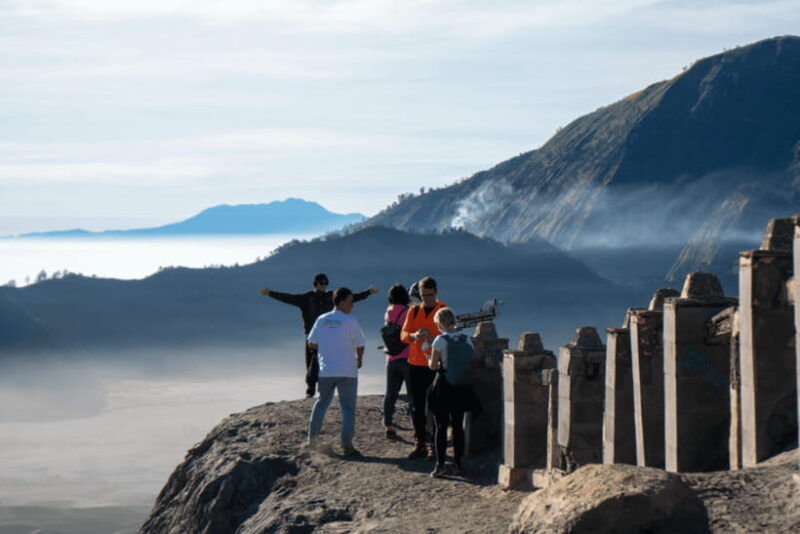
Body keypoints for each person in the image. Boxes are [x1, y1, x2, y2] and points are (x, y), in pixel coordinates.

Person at [260, 273, 378, 397]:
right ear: (315, 284)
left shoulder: (331, 297)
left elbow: (351, 298)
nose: (324, 285)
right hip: (312, 336)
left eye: (326, 283)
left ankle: (326, 389)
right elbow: (287, 298)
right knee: (311, 363)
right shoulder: (306, 298)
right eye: (322, 283)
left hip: (329, 336)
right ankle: (310, 389)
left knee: (327, 362)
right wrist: (270, 293)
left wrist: (368, 292)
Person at [306, 287, 366, 457]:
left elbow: (311, 343)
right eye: (350, 301)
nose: (352, 305)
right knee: (348, 408)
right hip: (347, 370)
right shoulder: (350, 320)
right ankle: (347, 446)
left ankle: (312, 440)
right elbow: (360, 344)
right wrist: (359, 359)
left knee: (321, 403)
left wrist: (326, 349)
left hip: (327, 370)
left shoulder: (322, 319)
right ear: (341, 301)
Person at [400, 276, 447, 459]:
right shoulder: (413, 311)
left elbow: (448, 332)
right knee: (416, 406)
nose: (426, 298)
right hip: (414, 364)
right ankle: (419, 442)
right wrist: (413, 336)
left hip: (434, 364)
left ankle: (434, 445)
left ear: (435, 292)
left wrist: (431, 336)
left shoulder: (443, 309)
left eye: (429, 295)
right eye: (423, 295)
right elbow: (403, 334)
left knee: (435, 406)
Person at [427, 307, 475, 478]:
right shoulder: (467, 339)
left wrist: (432, 361)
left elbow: (433, 365)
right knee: (457, 427)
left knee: (440, 427)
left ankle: (440, 465)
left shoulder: (440, 340)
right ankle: (459, 464)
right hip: (462, 387)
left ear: (440, 323)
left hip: (444, 387)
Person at [382, 284, 411, 440]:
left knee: (390, 394)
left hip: (391, 358)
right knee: (413, 395)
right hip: (407, 356)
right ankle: (417, 427)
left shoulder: (389, 311)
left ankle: (388, 425)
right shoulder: (407, 312)